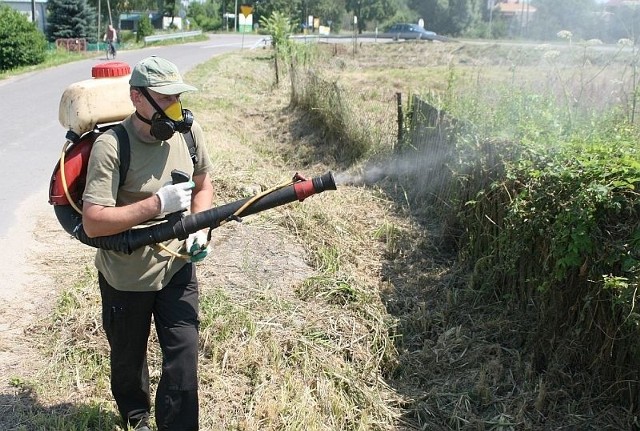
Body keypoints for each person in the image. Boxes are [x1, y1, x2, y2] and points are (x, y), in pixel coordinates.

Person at [82, 56, 215, 430]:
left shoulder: (188, 133)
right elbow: (93, 221)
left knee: (184, 357)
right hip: (126, 276)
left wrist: (198, 226)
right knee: (128, 358)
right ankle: (136, 416)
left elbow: (203, 182)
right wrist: (158, 204)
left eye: (178, 96)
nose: (175, 106)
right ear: (137, 98)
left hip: (177, 267)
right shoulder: (112, 147)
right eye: (165, 97)